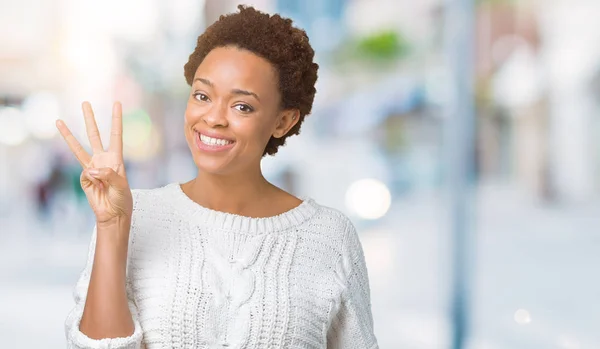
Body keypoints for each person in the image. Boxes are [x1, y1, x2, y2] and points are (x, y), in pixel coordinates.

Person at [57, 5, 378, 349]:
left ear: (283, 121)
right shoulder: (134, 216)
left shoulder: (329, 239)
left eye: (242, 106)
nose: (213, 118)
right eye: (202, 96)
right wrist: (112, 227)